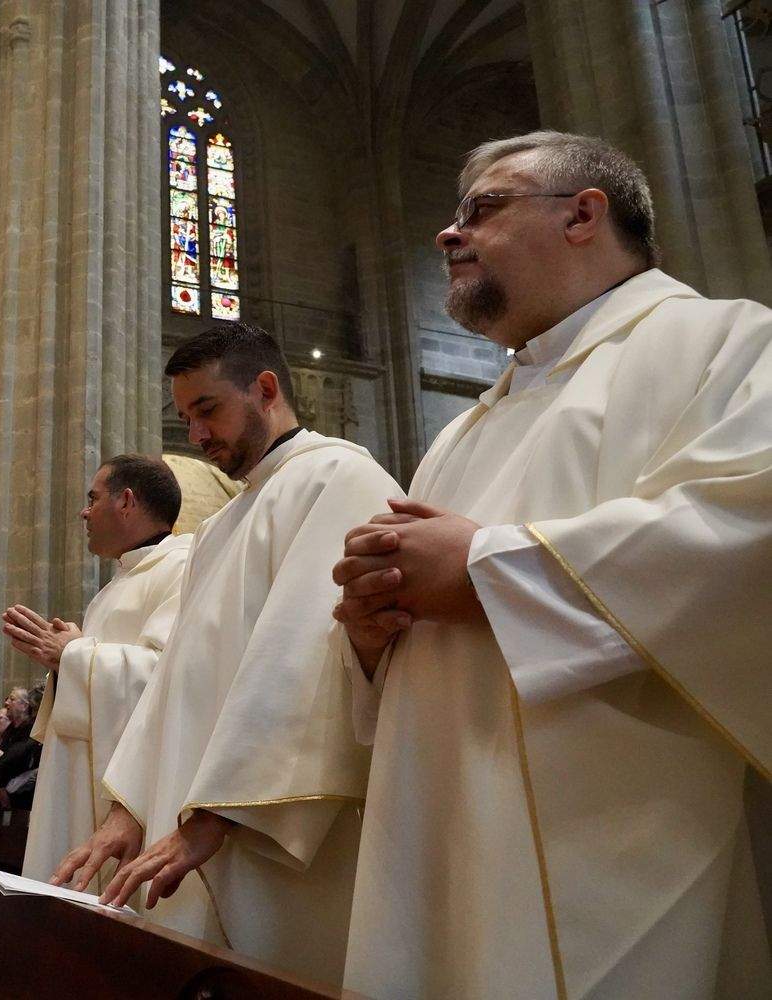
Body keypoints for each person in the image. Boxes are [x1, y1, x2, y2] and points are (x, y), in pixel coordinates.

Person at [330, 131, 772, 997]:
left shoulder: (724, 342)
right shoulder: (466, 425)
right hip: (441, 840)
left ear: (583, 214)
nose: (447, 235)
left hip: (627, 843)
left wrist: (489, 569)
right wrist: (370, 637)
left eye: (481, 210)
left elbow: (746, 535)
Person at [54, 322, 399, 984]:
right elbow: (178, 677)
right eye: (186, 418)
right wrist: (129, 808)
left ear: (266, 388)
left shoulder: (338, 477)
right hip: (192, 829)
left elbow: (304, 663)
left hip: (269, 836)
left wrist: (215, 816)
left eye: (207, 409)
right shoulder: (220, 526)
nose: (197, 435)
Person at [5, 453, 190, 883]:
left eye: (93, 498)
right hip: (80, 777)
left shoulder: (182, 567)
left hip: (131, 795)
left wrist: (76, 654)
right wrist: (65, 661)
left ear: (126, 501)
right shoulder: (114, 587)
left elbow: (171, 681)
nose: (84, 511)